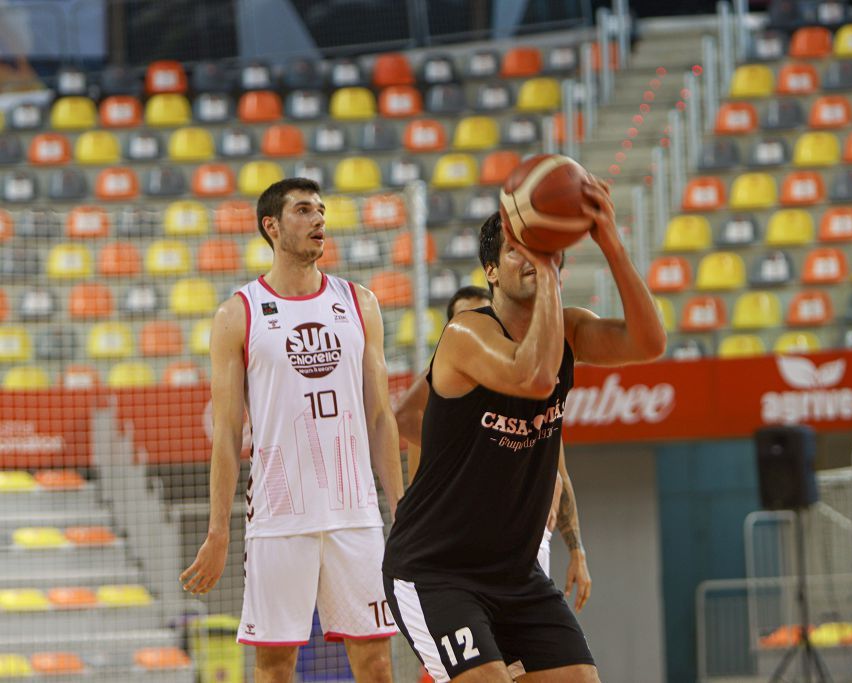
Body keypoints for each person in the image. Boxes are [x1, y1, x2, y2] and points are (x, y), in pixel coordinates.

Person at [382, 177, 666, 682]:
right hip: (437, 571)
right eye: (519, 250)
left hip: (515, 574)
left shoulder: (571, 330)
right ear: (490, 271)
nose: (532, 259)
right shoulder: (466, 333)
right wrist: (550, 270)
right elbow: (532, 377)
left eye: (542, 248)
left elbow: (649, 342)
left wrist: (612, 245)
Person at [180, 178, 404, 683]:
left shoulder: (360, 302)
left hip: (355, 514)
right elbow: (227, 432)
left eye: (322, 210)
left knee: (376, 664)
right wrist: (219, 531)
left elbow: (379, 418)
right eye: (304, 210)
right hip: (280, 517)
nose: (319, 219)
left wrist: (402, 509)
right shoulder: (238, 313)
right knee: (275, 666)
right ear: (272, 226)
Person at [396, 287, 592, 612]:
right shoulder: (440, 398)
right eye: (468, 320)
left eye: (486, 317)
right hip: (463, 547)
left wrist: (577, 550)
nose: (481, 328)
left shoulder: (529, 387)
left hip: (525, 537)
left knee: (532, 658)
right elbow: (404, 427)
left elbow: (559, 472)